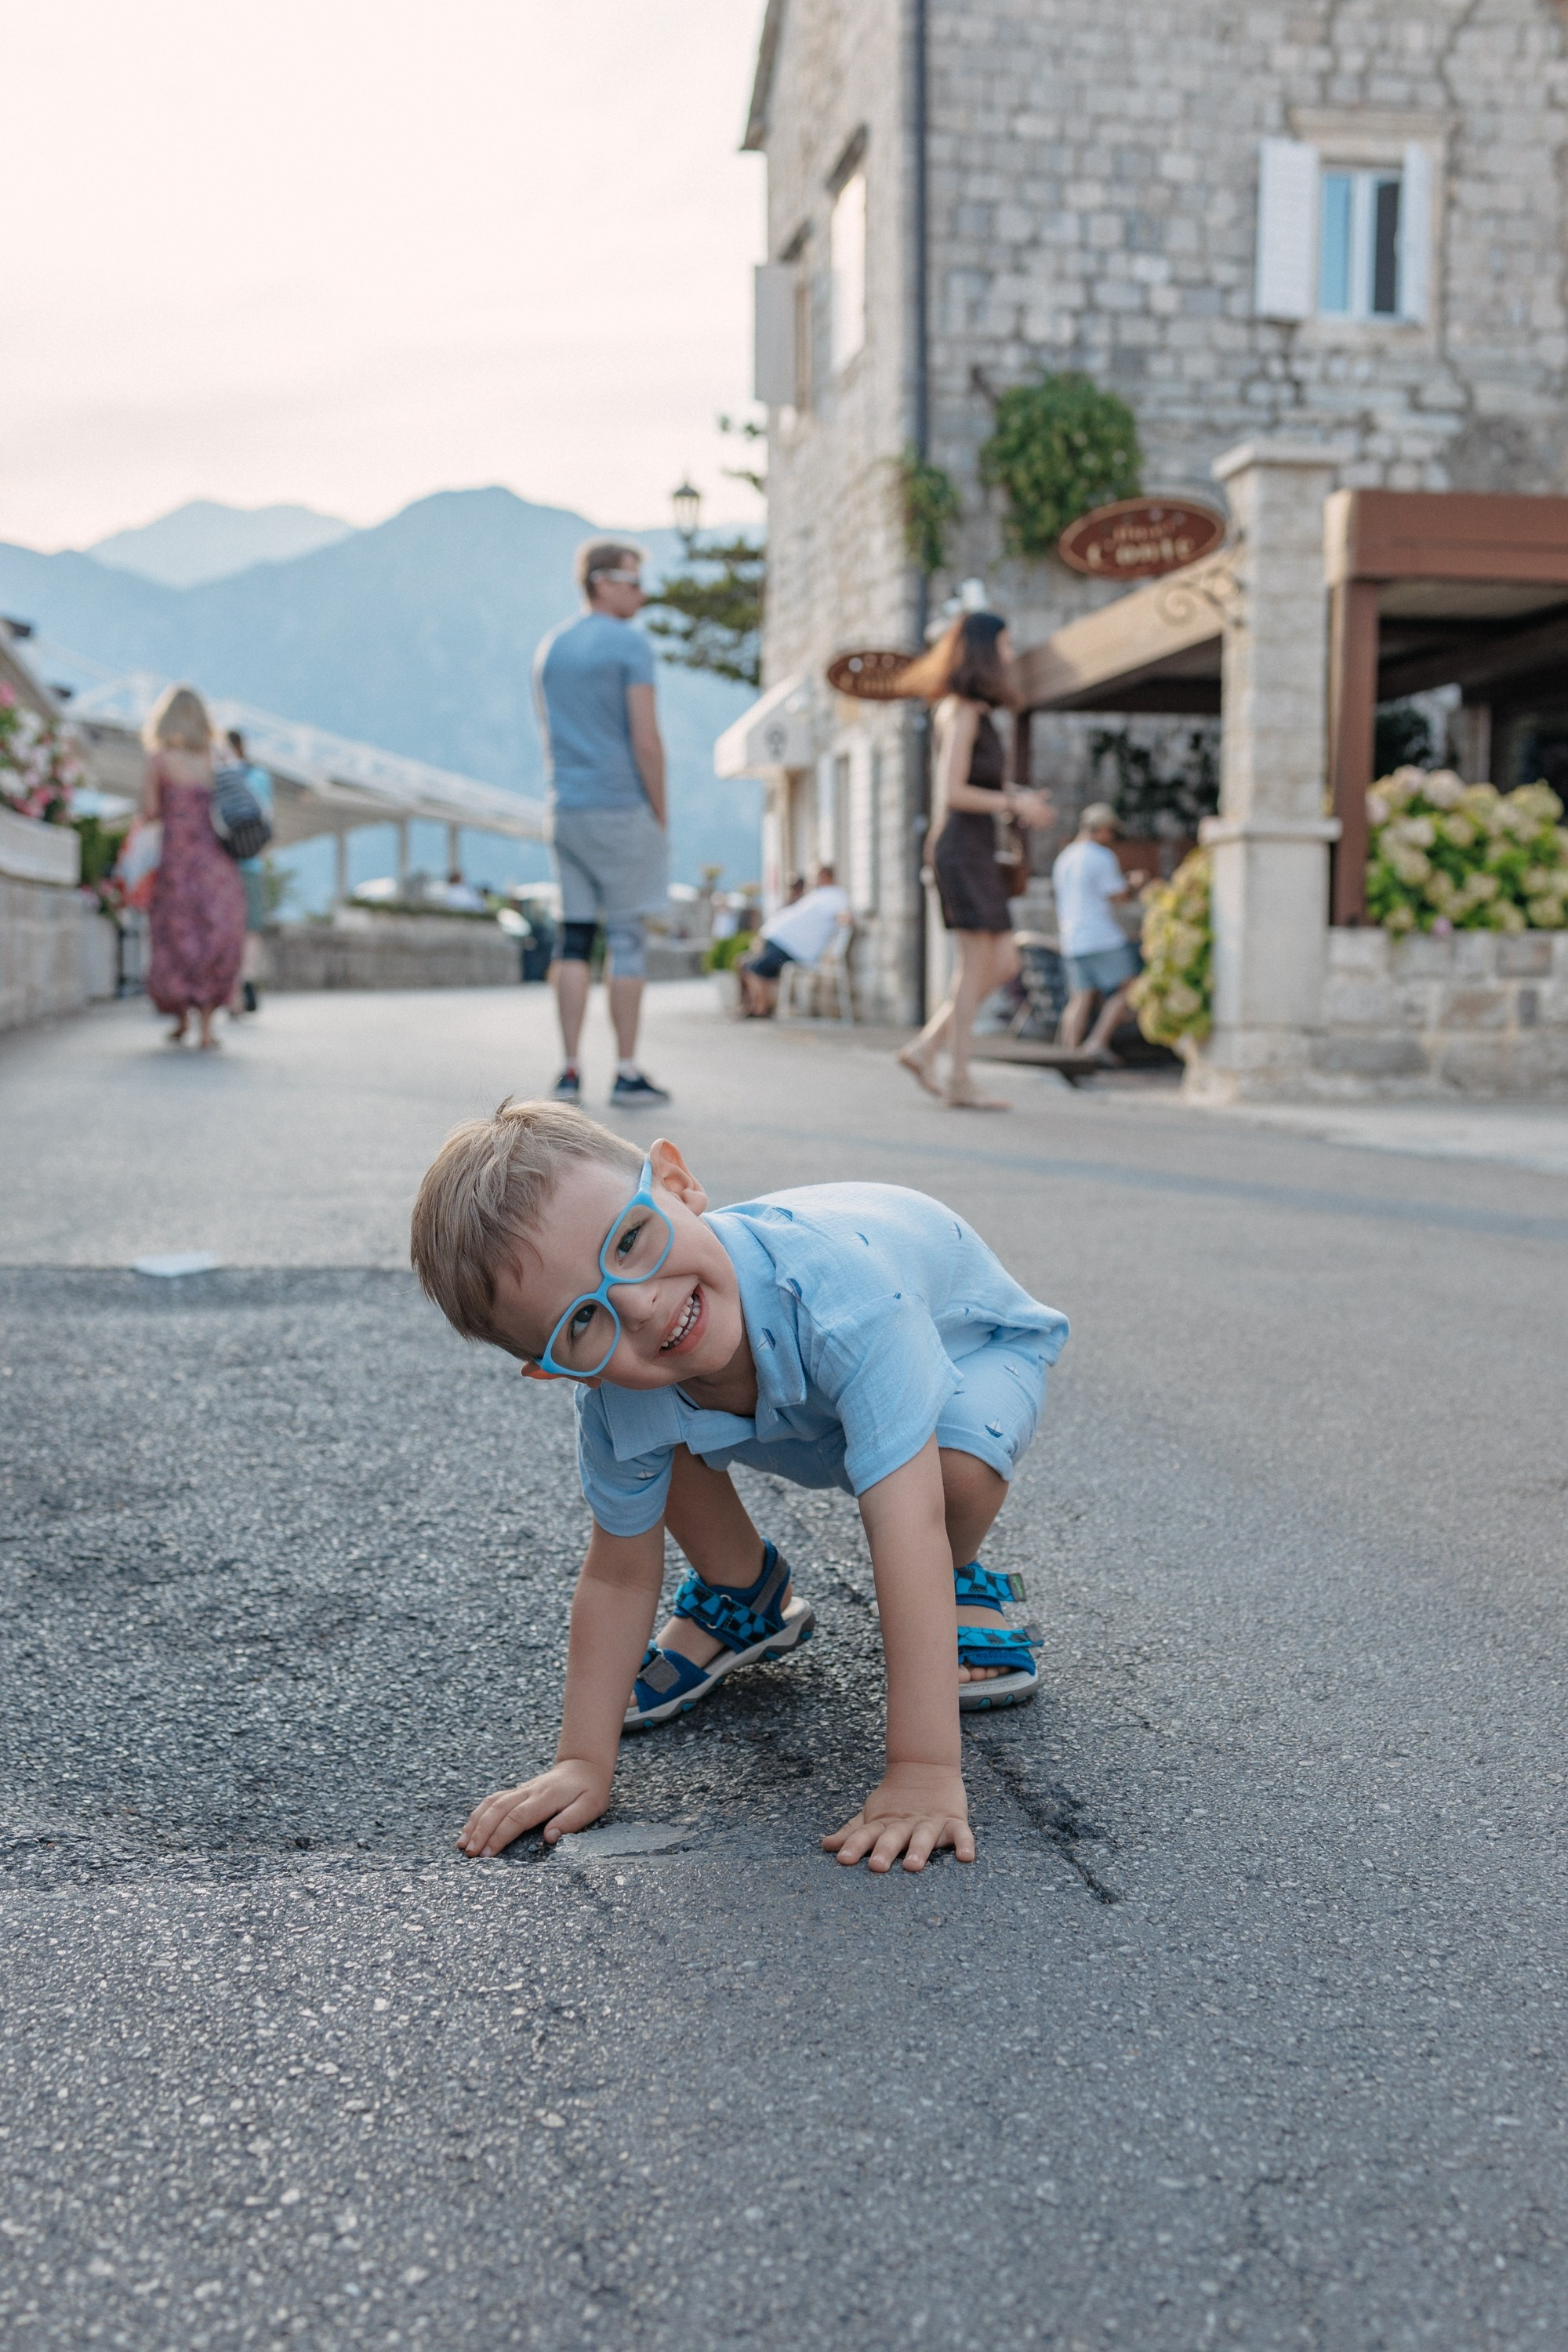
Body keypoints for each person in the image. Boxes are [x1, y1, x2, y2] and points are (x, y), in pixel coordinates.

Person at [409, 1102, 1069, 1873]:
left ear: (677, 1183)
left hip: (965, 1352)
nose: (642, 1304)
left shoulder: (842, 1295)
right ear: (554, 1366)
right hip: (803, 1406)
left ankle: (960, 1583)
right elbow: (618, 1574)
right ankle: (746, 1597)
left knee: (943, 1483)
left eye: (628, 1241)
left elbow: (904, 1521)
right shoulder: (618, 1387)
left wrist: (922, 1771)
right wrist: (580, 1762)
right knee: (650, 1416)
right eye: (584, 1321)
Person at [894, 611, 1054, 1110]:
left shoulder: (978, 711)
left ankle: (928, 1048)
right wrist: (1013, 804)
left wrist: (1017, 796)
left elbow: (979, 785)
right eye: (1005, 645)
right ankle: (958, 1076)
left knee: (999, 961)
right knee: (978, 963)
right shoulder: (961, 710)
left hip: (977, 848)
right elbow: (953, 792)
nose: (1009, 656)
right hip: (962, 848)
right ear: (985, 650)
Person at [533, 539, 670, 1105]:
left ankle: (568, 1071)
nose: (643, 592)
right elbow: (645, 738)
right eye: (634, 581)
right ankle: (627, 1071)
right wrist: (659, 810)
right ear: (602, 582)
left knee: (574, 938)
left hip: (566, 808)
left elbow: (548, 731)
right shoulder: (629, 647)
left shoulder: (552, 647)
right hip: (620, 807)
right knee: (626, 939)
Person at [140, 685, 246, 1051]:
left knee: (177, 937)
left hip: (177, 863)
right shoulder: (215, 759)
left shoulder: (160, 761)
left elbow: (149, 811)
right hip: (216, 863)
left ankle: (182, 1019)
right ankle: (207, 1027)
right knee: (214, 935)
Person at [1052, 803, 1148, 1059]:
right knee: (1127, 988)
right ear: (1103, 829)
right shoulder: (1100, 856)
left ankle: (1069, 1054)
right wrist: (1133, 883)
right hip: (1101, 936)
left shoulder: (1065, 857)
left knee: (1079, 999)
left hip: (1072, 937)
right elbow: (1118, 896)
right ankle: (1096, 1043)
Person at [736, 861, 850, 1018]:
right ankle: (756, 1006)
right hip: (783, 942)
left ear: (825, 876)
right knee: (745, 963)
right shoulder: (819, 895)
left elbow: (844, 917)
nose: (813, 880)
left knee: (754, 968)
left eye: (816, 876)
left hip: (794, 948)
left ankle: (760, 1008)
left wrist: (845, 923)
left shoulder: (835, 897)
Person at [217, 728, 274, 1015]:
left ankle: (230, 988)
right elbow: (266, 817)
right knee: (251, 928)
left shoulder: (216, 776)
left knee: (226, 927)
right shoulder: (259, 776)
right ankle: (247, 979)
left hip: (222, 862)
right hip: (251, 862)